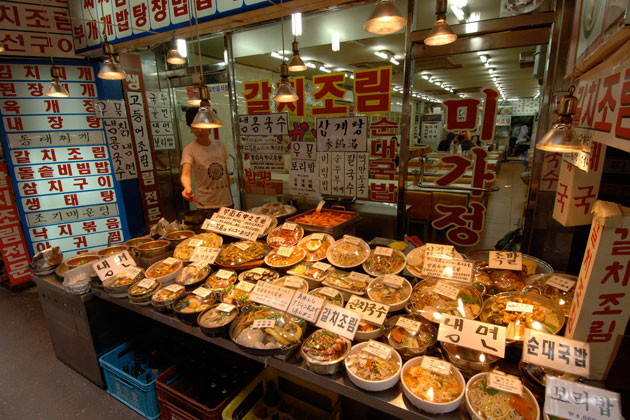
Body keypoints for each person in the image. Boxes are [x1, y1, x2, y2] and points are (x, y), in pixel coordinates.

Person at [180, 108, 233, 212]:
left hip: (226, 202)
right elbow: (185, 174)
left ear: (210, 126)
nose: (199, 130)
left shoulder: (220, 145)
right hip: (205, 204)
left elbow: (225, 173)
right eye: (195, 127)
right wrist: (187, 188)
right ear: (190, 128)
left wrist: (230, 197)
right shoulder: (189, 149)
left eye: (202, 126)